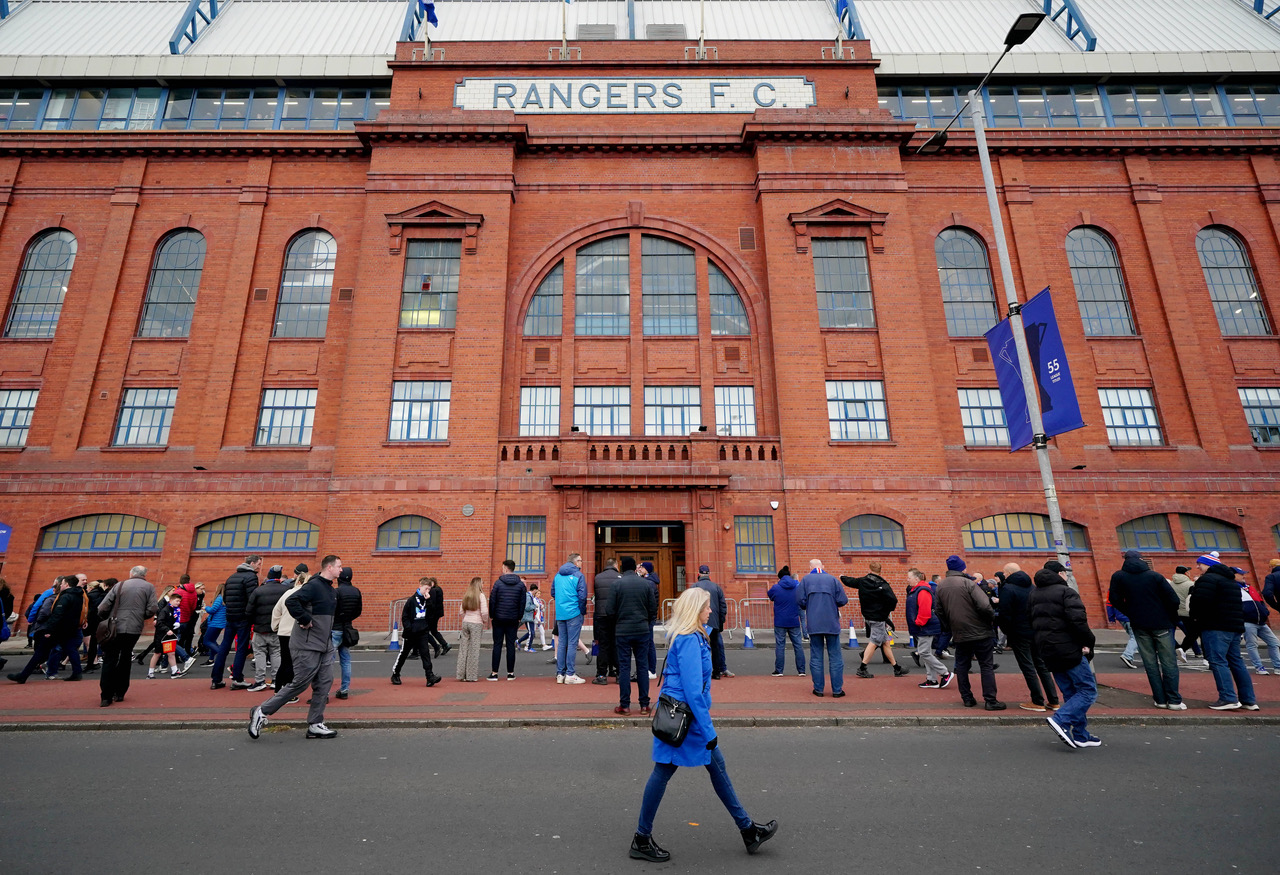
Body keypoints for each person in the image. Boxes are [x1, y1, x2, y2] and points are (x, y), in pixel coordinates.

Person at [629, 586, 778, 863]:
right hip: (684, 718)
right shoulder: (688, 639)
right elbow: (693, 689)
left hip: (684, 716)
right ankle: (641, 837)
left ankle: (747, 829)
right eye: (707, 606)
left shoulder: (695, 636)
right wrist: (709, 730)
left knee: (712, 767)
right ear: (696, 610)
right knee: (664, 772)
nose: (711, 610)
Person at [249, 554, 343, 740]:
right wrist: (305, 619)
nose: (341, 569)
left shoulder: (330, 590)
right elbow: (292, 601)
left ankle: (315, 724)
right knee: (299, 683)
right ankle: (261, 711)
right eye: (339, 566)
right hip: (306, 644)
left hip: (324, 645)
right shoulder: (314, 585)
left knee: (325, 682)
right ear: (329, 568)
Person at [1030, 562, 1100, 749]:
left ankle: (1080, 734)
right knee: (1087, 690)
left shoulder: (1034, 593)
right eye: (1066, 573)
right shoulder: (1066, 592)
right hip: (1068, 648)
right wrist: (1088, 642)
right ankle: (1060, 720)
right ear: (1060, 573)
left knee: (1071, 693)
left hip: (1047, 649)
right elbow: (1078, 621)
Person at [1108, 549, 1183, 710]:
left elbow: (1114, 599)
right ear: (1141, 559)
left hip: (1139, 624)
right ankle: (1174, 700)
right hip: (1162, 623)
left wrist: (1131, 612)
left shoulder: (1119, 576)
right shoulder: (1155, 576)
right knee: (1169, 662)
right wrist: (1168, 616)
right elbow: (1173, 600)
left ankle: (1160, 699)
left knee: (1150, 664)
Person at [935, 555, 1005, 710]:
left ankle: (967, 698)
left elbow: (939, 611)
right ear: (962, 568)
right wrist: (990, 620)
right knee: (986, 665)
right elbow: (985, 606)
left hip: (959, 632)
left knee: (962, 666)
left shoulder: (941, 586)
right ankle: (990, 700)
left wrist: (950, 626)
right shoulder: (969, 584)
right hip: (980, 630)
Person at [1190, 554, 1258, 711]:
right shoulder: (1231, 581)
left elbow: (1199, 602)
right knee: (1237, 662)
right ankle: (1248, 699)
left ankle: (1228, 698)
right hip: (1233, 626)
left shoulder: (1208, 579)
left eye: (1200, 564)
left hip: (1215, 626)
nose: (1198, 567)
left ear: (1208, 565)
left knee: (1217, 661)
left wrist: (1195, 619)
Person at [90, 567, 157, 705]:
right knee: (125, 657)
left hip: (115, 626)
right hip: (134, 628)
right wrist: (140, 616)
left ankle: (106, 696)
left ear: (131, 573)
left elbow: (103, 607)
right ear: (144, 575)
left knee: (110, 658)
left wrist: (105, 617)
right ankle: (120, 692)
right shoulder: (149, 587)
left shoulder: (119, 585)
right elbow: (152, 608)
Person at [997, 563, 1057, 711]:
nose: (1003, 576)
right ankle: (1053, 700)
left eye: (1005, 573)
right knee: (1041, 665)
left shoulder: (1008, 589)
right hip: (1036, 631)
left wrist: (1007, 631)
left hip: (1019, 633)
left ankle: (1037, 701)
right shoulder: (1032, 588)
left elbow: (1005, 613)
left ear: (1009, 573)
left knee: (1027, 666)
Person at [842, 562, 909, 679]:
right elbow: (893, 600)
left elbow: (850, 581)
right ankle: (862, 668)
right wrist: (886, 610)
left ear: (870, 569)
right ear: (880, 570)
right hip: (879, 617)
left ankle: (896, 668)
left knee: (885, 642)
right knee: (874, 642)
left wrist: (841, 577)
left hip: (867, 616)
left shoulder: (862, 581)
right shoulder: (883, 585)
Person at [9, 576, 82, 683]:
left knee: (40, 651)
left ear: (66, 585)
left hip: (58, 629)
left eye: (62, 583)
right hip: (70, 628)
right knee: (71, 649)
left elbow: (57, 614)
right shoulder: (79, 596)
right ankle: (77, 672)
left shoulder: (65, 597)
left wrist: (49, 630)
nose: (60, 585)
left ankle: (23, 675)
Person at [610, 556, 657, 715]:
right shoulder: (646, 584)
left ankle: (625, 705)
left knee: (624, 667)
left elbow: (610, 610)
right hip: (642, 629)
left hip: (623, 630)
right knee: (642, 666)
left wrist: (618, 621)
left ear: (623, 568)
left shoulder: (616, 584)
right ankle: (644, 704)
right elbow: (652, 608)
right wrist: (646, 621)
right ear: (634, 568)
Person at [796, 559, 847, 698]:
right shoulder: (833, 580)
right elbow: (843, 600)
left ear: (810, 567)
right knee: (835, 656)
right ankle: (837, 689)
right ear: (822, 566)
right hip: (831, 622)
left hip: (814, 622)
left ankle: (818, 689)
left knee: (816, 656)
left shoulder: (806, 580)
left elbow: (800, 600)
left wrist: (810, 605)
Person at [212, 554, 260, 690]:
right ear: (252, 563)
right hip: (243, 617)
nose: (259, 567)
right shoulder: (251, 577)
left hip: (230, 616)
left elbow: (226, 598)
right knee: (241, 648)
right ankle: (237, 678)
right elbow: (252, 598)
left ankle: (216, 679)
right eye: (258, 564)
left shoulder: (231, 577)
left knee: (224, 647)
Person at [905, 568, 951, 690]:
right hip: (923, 625)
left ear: (916, 578)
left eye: (909, 577)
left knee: (924, 652)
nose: (907, 579)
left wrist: (918, 622)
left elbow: (925, 611)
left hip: (925, 626)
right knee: (926, 652)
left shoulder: (922, 591)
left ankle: (945, 673)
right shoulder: (918, 590)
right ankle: (932, 679)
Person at [245, 566, 290, 693]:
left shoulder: (258, 591)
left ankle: (260, 680)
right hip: (277, 629)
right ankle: (276, 680)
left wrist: (254, 622)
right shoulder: (285, 590)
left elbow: (249, 611)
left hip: (260, 628)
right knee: (276, 653)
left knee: (259, 653)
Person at [393, 579, 441, 687]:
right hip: (411, 632)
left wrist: (429, 601)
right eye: (425, 588)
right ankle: (396, 673)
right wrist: (409, 628)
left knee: (425, 654)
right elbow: (405, 616)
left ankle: (430, 676)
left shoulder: (427, 599)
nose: (427, 591)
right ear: (420, 586)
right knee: (404, 653)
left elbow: (432, 613)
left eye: (429, 589)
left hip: (422, 631)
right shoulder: (411, 600)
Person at [488, 559, 528, 681]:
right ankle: (510, 673)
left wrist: (492, 615)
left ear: (505, 568)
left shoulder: (498, 583)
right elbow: (522, 603)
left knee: (497, 645)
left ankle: (494, 673)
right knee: (511, 645)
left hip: (499, 618)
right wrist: (519, 617)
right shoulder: (521, 585)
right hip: (513, 618)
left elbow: (493, 600)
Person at [553, 552, 588, 684]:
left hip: (561, 613)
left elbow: (553, 592)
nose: (581, 563)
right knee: (572, 643)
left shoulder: (557, 575)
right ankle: (570, 674)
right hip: (574, 612)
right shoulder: (578, 575)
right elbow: (582, 595)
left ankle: (560, 673)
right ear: (575, 562)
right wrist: (581, 611)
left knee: (562, 643)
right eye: (580, 561)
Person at [271, 564, 308, 691]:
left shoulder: (288, 592)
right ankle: (288, 690)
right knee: (294, 663)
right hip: (297, 632)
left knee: (285, 661)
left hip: (283, 632)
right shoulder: (307, 594)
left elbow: (276, 611)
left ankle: (278, 688)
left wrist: (275, 627)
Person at [694, 565, 733, 679]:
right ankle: (717, 672)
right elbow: (722, 606)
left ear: (699, 574)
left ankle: (701, 672)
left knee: (698, 647)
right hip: (714, 623)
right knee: (716, 648)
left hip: (698, 623)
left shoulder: (695, 587)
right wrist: (721, 622)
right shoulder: (716, 587)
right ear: (709, 574)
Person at [767, 566, 805, 677]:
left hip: (780, 621)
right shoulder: (797, 587)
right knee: (798, 645)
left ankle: (779, 670)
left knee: (780, 645)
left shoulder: (776, 587)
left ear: (780, 577)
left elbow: (770, 595)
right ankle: (801, 670)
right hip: (794, 620)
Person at [331, 565, 363, 698]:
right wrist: (348, 619)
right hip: (348, 628)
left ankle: (324, 692)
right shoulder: (356, 591)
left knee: (328, 662)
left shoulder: (336, 592)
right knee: (346, 660)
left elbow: (331, 610)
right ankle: (344, 690)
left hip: (335, 629)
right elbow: (358, 611)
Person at [1240, 571, 1280, 675]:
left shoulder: (1250, 588)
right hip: (1248, 621)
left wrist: (1265, 611)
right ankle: (1259, 667)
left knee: (1274, 642)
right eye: (1240, 574)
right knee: (1252, 645)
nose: (1243, 576)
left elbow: (1260, 601)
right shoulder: (1234, 589)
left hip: (1261, 621)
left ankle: (1278, 666)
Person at [147, 592, 188, 679]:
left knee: (171, 653)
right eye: (177, 601)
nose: (178, 603)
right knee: (157, 654)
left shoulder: (176, 610)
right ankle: (150, 673)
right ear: (171, 600)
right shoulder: (165, 610)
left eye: (179, 601)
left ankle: (174, 671)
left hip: (169, 636)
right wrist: (167, 630)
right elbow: (159, 622)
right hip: (161, 635)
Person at [593, 557, 621, 684]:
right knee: (617, 644)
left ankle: (601, 675)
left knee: (603, 645)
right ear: (615, 565)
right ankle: (619, 673)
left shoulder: (598, 577)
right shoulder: (620, 578)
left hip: (601, 615)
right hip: (616, 615)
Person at [457, 576, 488, 681]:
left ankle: (461, 674)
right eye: (482, 583)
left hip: (466, 622)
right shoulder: (481, 596)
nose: (483, 585)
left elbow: (461, 611)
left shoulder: (467, 595)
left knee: (463, 649)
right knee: (473, 650)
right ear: (479, 584)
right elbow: (484, 612)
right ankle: (471, 676)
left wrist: (466, 617)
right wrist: (484, 620)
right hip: (476, 623)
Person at [1170, 565, 1202, 662]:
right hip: (1187, 613)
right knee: (1192, 633)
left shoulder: (1171, 584)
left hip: (1174, 612)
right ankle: (1195, 651)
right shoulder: (1190, 584)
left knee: (1170, 633)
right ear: (1185, 573)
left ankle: (1178, 649)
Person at [639, 562, 660, 681]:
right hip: (648, 617)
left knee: (648, 643)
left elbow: (649, 601)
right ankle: (649, 669)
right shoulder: (649, 581)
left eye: (642, 567)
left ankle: (651, 670)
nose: (640, 569)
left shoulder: (649, 583)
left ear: (647, 569)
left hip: (647, 617)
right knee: (647, 642)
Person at [1106, 597, 1140, 669]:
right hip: (1132, 616)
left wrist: (1111, 617)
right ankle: (1127, 655)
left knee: (1135, 636)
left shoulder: (1113, 588)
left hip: (1120, 617)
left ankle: (1146, 657)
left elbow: (1109, 604)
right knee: (1136, 637)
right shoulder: (1133, 586)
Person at [201, 583, 226, 665]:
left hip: (215, 623)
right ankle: (211, 660)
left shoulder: (219, 598)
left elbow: (212, 610)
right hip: (220, 623)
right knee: (212, 641)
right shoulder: (225, 599)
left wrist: (206, 608)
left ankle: (220, 654)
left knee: (206, 641)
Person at [174, 574, 199, 655]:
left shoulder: (178, 591)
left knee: (175, 638)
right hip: (187, 617)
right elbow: (194, 606)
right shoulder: (194, 592)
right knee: (182, 638)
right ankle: (181, 655)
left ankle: (180, 656)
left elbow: (173, 604)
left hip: (177, 618)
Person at [425, 577, 449, 657]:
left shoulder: (434, 591)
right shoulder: (438, 589)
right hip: (436, 614)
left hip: (433, 614)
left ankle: (439, 645)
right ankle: (444, 644)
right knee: (433, 631)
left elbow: (432, 603)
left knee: (427, 631)